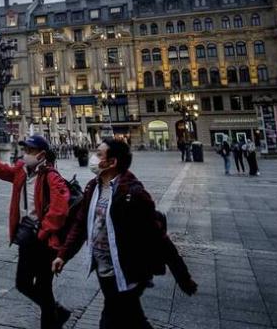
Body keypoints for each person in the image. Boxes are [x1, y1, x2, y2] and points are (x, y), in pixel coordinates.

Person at [51, 138, 197, 329]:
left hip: (126, 271)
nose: (93, 158)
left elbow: (158, 237)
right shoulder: (93, 187)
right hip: (104, 270)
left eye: (99, 154)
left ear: (113, 162)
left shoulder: (133, 194)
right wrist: (63, 255)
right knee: (133, 319)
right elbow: (81, 225)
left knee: (112, 319)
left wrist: (182, 276)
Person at [0, 135, 71, 329]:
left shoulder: (51, 176)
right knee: (23, 283)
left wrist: (44, 231)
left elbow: (60, 208)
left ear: (42, 155)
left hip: (44, 241)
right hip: (27, 236)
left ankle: (52, 321)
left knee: (44, 287)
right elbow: (3, 170)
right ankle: (57, 311)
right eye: (24, 150)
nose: (24, 154)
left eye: (30, 151)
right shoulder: (21, 170)